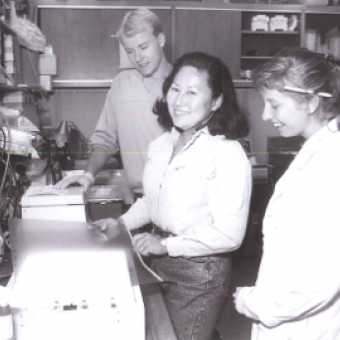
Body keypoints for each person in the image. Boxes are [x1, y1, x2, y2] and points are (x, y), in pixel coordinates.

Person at [93, 52, 252, 340]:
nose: (179, 101)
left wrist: (166, 245)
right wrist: (121, 224)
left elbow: (230, 235)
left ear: (216, 101)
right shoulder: (161, 144)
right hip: (157, 262)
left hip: (199, 273)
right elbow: (153, 202)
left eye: (192, 92)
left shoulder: (226, 153)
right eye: (175, 89)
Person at [233, 47, 340, 339]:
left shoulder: (330, 166)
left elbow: (320, 279)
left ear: (311, 102)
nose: (266, 115)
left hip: (305, 326)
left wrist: (255, 303)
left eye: (275, 105)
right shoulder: (320, 150)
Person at [55, 8, 172, 202]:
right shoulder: (121, 85)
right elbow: (104, 139)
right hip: (139, 199)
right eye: (130, 51)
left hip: (180, 198)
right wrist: (88, 175)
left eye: (143, 47)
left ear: (160, 40)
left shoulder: (184, 83)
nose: (138, 58)